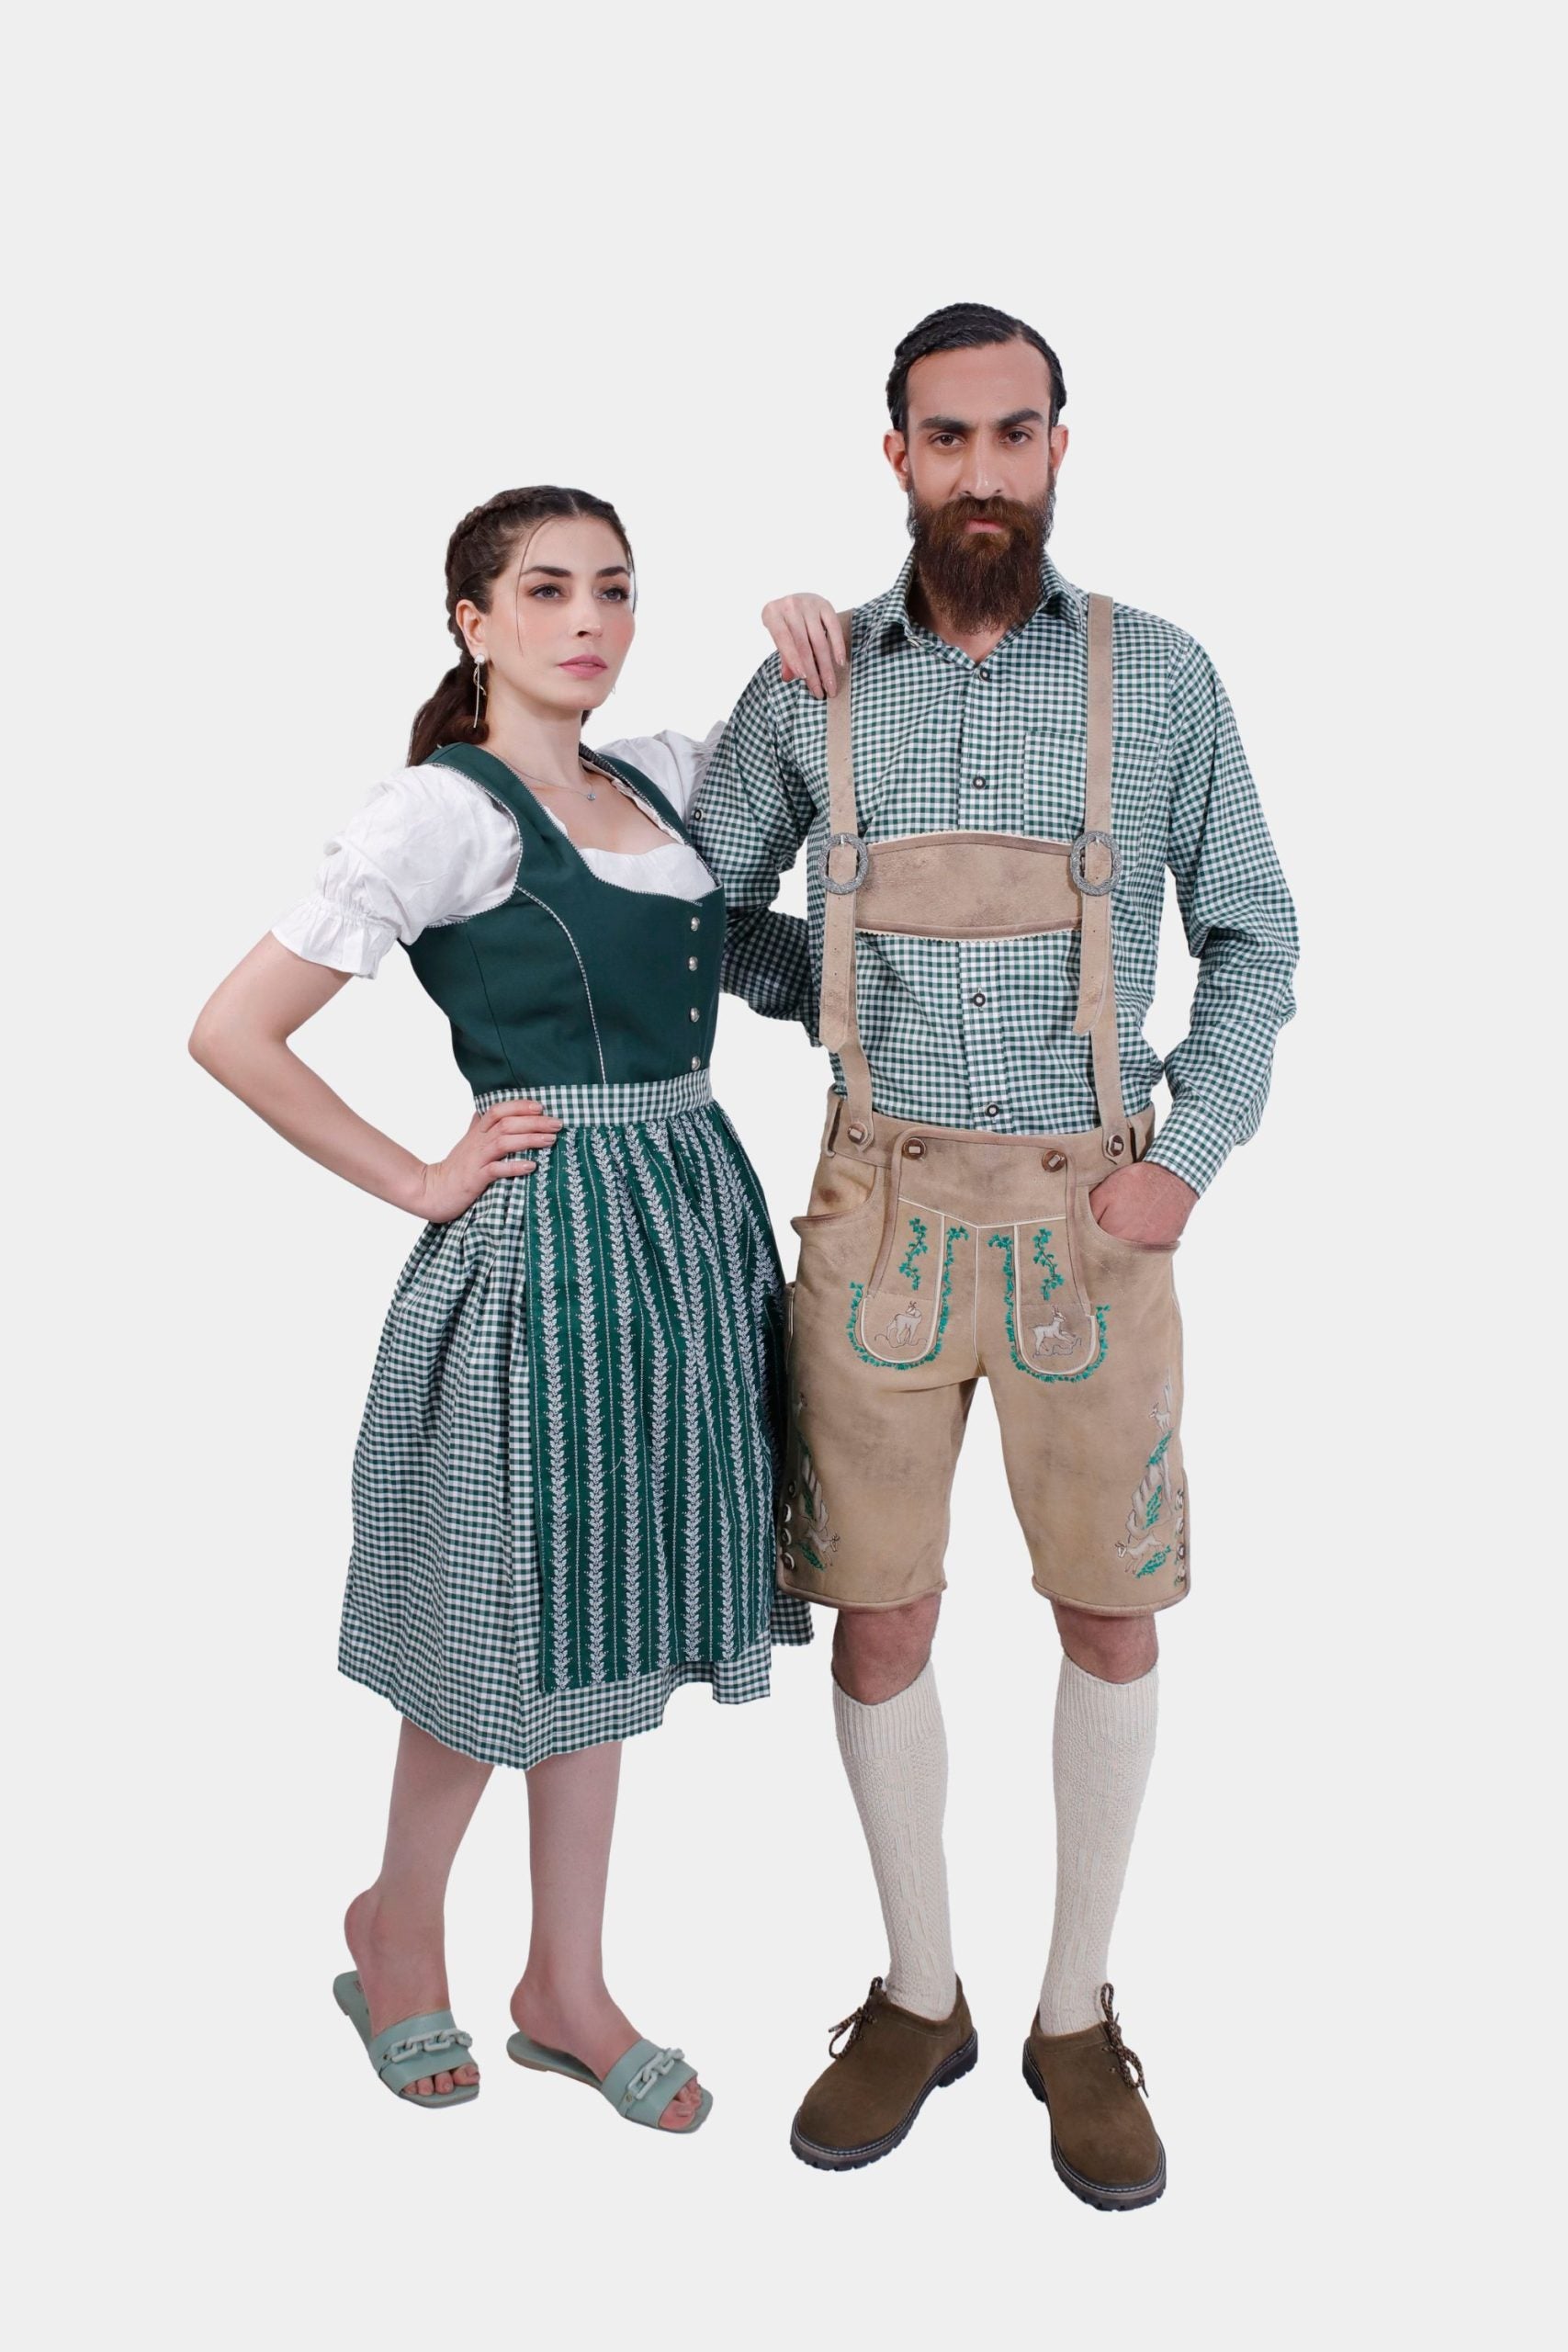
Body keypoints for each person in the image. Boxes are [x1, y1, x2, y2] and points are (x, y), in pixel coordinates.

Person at [694, 305, 1299, 2200]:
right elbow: (689, 904)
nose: (979, 469)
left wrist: (1183, 1161)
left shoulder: (1159, 675)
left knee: (1106, 1609)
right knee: (876, 1615)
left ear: (1057, 444)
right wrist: (830, 991)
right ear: (894, 457)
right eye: (942, 438)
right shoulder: (807, 686)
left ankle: (1069, 2007)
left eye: (1010, 434)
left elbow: (1258, 941)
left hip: (1085, 1222)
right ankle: (918, 1989)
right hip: (871, 1209)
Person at [189, 484, 837, 2133]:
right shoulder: (439, 814)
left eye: (614, 591)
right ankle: (399, 1930)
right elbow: (234, 1032)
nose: (589, 622)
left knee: (608, 1610)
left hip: (688, 1227)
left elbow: (810, 730)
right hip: (543, 1246)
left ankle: (567, 1979)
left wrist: (793, 630)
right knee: (499, 1617)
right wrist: (420, 1176)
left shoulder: (658, 782)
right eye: (545, 592)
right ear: (472, 622)